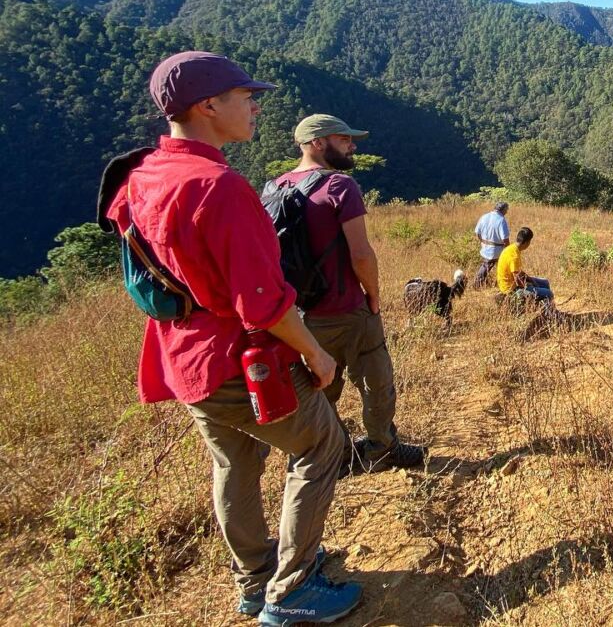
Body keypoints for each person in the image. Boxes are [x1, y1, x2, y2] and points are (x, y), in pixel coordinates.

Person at [99, 52, 361, 625]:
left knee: (235, 463)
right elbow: (262, 301)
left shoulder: (142, 173)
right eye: (245, 95)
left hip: (182, 354)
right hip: (239, 359)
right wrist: (315, 352)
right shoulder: (217, 187)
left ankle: (255, 578)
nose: (255, 104)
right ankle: (292, 590)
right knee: (322, 447)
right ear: (208, 105)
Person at [273, 114, 424, 475]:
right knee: (377, 383)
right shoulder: (340, 186)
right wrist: (373, 296)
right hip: (348, 309)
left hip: (302, 315)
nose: (352, 146)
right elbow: (361, 253)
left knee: (320, 389)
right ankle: (381, 448)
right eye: (344, 140)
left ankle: (337, 452)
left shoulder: (275, 187)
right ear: (318, 143)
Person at [496, 227, 555, 305]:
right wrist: (530, 285)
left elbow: (518, 272)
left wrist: (530, 279)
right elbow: (518, 280)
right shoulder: (514, 256)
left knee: (545, 283)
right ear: (527, 242)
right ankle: (547, 314)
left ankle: (549, 309)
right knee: (549, 293)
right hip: (510, 289)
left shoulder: (511, 248)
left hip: (510, 283)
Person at [472, 201, 510, 288]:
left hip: (484, 247)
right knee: (490, 266)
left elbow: (477, 232)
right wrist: (508, 250)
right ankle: (477, 284)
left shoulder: (484, 216)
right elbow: (505, 238)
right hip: (496, 250)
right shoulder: (501, 220)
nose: (507, 212)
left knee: (486, 265)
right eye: (506, 210)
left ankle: (485, 283)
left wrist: (483, 242)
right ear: (503, 210)